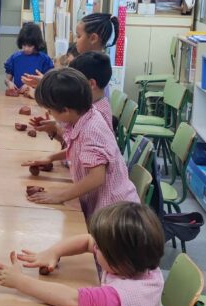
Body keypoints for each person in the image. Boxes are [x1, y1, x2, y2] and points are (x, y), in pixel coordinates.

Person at [0, 202, 165, 306]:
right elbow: (87, 241)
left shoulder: (121, 294)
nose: (95, 248)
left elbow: (73, 300)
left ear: (119, 260)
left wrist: (19, 281)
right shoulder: (140, 263)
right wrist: (53, 252)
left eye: (100, 248)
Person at [21, 68, 138, 219]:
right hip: (105, 205)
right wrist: (51, 157)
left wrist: (60, 196)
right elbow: (79, 149)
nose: (50, 114)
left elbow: (96, 178)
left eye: (50, 110)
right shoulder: (86, 114)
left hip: (114, 213)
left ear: (65, 110)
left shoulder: (91, 131)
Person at [31, 51, 115, 143]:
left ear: (91, 84)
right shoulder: (90, 107)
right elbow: (73, 145)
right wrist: (54, 128)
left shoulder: (96, 119)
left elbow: (77, 145)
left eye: (72, 82)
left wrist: (57, 128)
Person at [21, 13, 118, 89]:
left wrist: (44, 84)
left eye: (79, 36)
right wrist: (44, 82)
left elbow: (70, 93)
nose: (75, 40)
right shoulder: (92, 62)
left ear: (93, 38)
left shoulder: (92, 66)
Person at [4, 22, 53, 92]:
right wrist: (9, 83)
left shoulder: (45, 60)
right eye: (24, 45)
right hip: (18, 95)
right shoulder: (15, 58)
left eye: (30, 46)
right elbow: (7, 79)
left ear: (36, 43)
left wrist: (31, 85)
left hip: (36, 96)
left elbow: (48, 82)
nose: (26, 49)